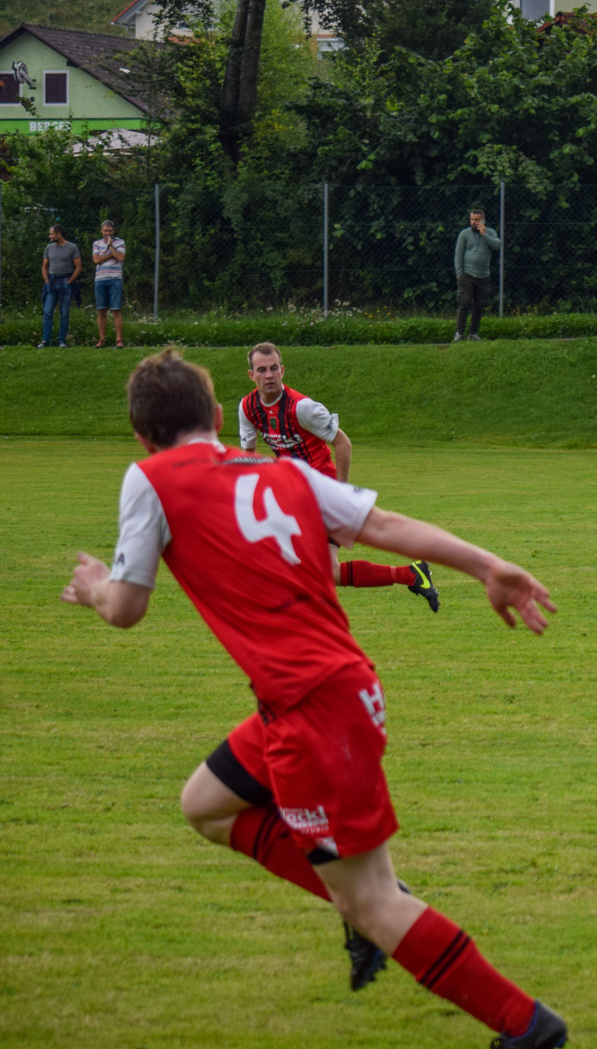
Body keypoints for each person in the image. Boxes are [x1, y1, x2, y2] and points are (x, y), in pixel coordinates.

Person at [60, 348, 570, 1048]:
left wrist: (95, 587)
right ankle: (367, 898)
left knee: (374, 903)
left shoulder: (148, 477)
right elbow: (385, 527)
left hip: (313, 710)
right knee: (205, 803)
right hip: (327, 693)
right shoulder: (287, 472)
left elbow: (125, 608)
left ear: (143, 436)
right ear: (218, 416)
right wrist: (489, 565)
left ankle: (527, 1028)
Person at [239, 341, 439, 612]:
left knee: (290, 563)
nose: (269, 375)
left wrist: (340, 494)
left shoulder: (302, 408)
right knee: (326, 571)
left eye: (274, 368)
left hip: (323, 492)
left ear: (282, 370)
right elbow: (248, 459)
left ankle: (291, 615)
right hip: (294, 494)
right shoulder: (248, 407)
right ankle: (411, 574)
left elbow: (343, 443)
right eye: (262, 370)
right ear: (252, 375)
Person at [452, 209, 500, 342]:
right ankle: (459, 333)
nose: (473, 222)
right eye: (472, 219)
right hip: (467, 274)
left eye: (477, 220)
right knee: (464, 302)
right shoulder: (465, 234)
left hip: (484, 275)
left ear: (483, 220)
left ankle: (473, 333)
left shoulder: (490, 232)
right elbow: (458, 254)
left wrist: (485, 235)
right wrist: (459, 273)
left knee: (479, 305)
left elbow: (497, 246)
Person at [39, 224, 81, 348]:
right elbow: (44, 266)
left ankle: (61, 341)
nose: (50, 236)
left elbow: (78, 267)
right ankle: (45, 340)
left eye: (52, 234)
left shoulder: (72, 247)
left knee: (64, 313)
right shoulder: (49, 248)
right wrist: (46, 281)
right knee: (48, 311)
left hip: (65, 281)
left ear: (59, 234)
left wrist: (70, 281)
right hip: (52, 281)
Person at [91, 219, 127, 348]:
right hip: (100, 279)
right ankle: (102, 339)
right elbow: (96, 260)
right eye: (105, 231)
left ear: (113, 231)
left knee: (116, 310)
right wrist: (112, 255)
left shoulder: (120, 242)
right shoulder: (97, 243)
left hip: (115, 279)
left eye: (110, 231)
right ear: (101, 231)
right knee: (101, 311)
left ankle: (119, 340)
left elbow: (121, 257)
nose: (107, 233)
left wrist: (110, 246)